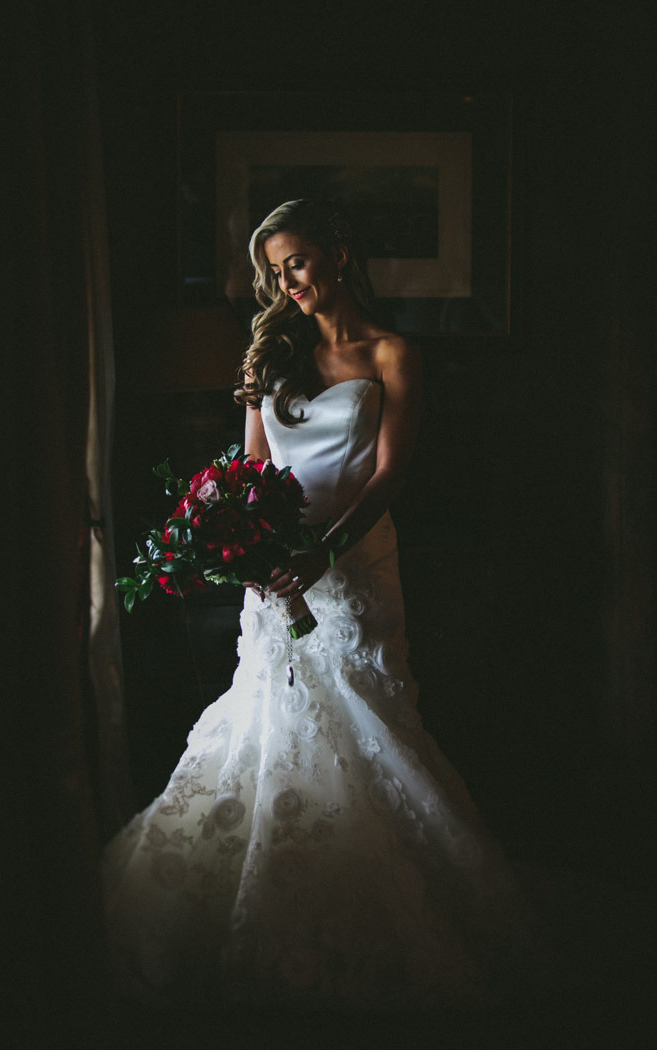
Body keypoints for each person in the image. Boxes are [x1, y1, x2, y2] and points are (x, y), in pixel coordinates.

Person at [103, 199, 542, 1011]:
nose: (287, 282)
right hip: (272, 575)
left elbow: (388, 475)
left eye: (297, 262)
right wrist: (238, 548)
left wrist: (324, 555)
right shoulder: (272, 354)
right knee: (265, 719)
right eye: (275, 270)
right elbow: (249, 472)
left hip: (356, 569)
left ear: (339, 253)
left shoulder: (393, 353)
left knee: (371, 722)